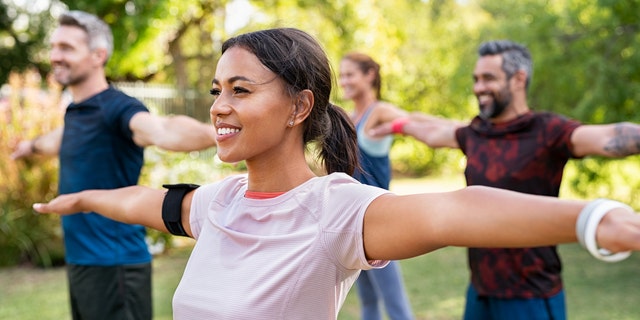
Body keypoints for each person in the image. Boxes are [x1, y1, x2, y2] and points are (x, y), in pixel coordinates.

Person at [32, 29, 640, 320]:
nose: (218, 105)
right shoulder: (219, 202)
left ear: (300, 107)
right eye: (218, 89)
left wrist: (593, 217)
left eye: (241, 90)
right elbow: (149, 202)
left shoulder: (335, 211)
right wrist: (84, 196)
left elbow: (458, 211)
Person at [369, 40, 640, 320]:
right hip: (480, 291)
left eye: (488, 78)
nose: (478, 87)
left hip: (530, 295)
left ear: (518, 79)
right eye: (476, 79)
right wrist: (397, 126)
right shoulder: (475, 132)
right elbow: (435, 132)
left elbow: (608, 137)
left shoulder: (548, 131)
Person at [11, 11, 216, 320]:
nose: (55, 55)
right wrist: (29, 147)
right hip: (82, 263)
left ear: (98, 55)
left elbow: (162, 129)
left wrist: (219, 134)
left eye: (66, 48)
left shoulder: (118, 108)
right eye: (54, 47)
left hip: (115, 266)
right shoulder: (78, 112)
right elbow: (57, 140)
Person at [339, 52, 413, 320]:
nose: (343, 80)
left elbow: (414, 121)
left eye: (349, 74)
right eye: (342, 74)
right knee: (368, 302)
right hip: (352, 221)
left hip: (380, 221)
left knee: (395, 305)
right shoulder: (348, 117)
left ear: (369, 75)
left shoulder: (379, 112)